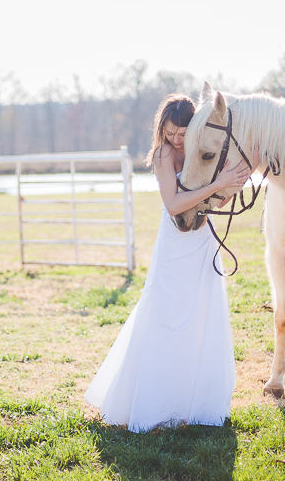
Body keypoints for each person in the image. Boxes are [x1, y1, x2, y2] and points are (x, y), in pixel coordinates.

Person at [84, 93, 253, 432]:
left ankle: (197, 404)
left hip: (203, 241)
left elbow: (210, 200)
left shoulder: (196, 149)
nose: (176, 138)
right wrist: (217, 184)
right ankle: (157, 403)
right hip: (175, 245)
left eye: (181, 132)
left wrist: (231, 185)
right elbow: (174, 204)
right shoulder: (162, 154)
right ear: (162, 127)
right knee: (167, 318)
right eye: (171, 131)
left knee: (203, 317)